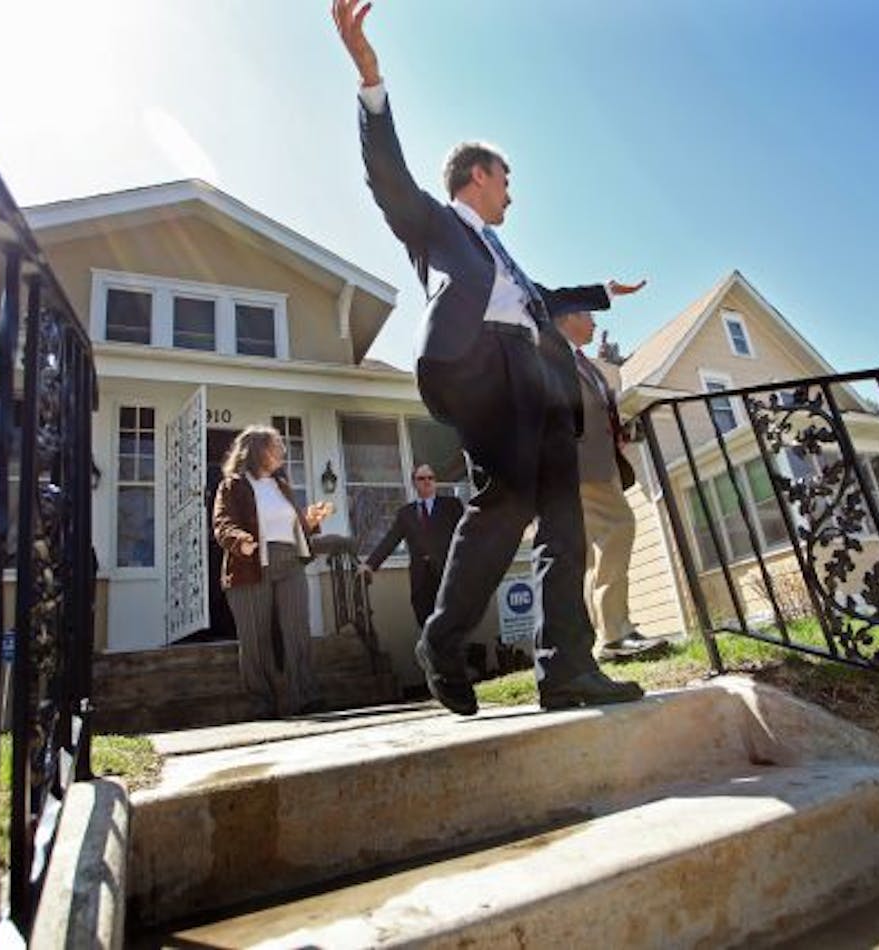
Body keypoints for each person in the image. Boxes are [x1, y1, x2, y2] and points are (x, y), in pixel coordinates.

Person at [332, 0, 649, 715]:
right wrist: (370, 84)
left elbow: (539, 295)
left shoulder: (502, 257)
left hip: (538, 380)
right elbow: (386, 178)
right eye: (505, 178)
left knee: (562, 521)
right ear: (477, 176)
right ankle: (442, 641)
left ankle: (565, 667)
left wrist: (601, 291)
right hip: (479, 372)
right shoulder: (437, 227)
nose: (512, 191)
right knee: (503, 508)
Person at [554, 310, 672, 661]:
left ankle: (607, 636)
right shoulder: (552, 355)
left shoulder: (584, 363)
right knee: (619, 527)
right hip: (583, 464)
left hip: (601, 461)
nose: (594, 323)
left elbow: (597, 407)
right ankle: (615, 634)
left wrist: (618, 432)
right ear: (568, 317)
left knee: (597, 551)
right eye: (588, 315)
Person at [212, 425, 334, 718]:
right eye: (275, 445)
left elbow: (293, 526)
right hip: (250, 564)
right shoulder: (233, 485)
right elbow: (222, 523)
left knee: (297, 630)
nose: (282, 450)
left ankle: (303, 696)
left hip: (289, 560)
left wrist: (311, 520)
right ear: (258, 451)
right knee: (255, 639)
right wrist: (239, 541)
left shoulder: (282, 485)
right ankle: (261, 703)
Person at [360, 463, 465, 627]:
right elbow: (390, 540)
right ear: (414, 483)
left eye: (431, 478)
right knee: (426, 627)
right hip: (421, 581)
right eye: (421, 478)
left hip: (447, 578)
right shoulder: (406, 513)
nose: (427, 481)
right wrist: (369, 565)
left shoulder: (452, 506)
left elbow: (467, 534)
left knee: (450, 629)